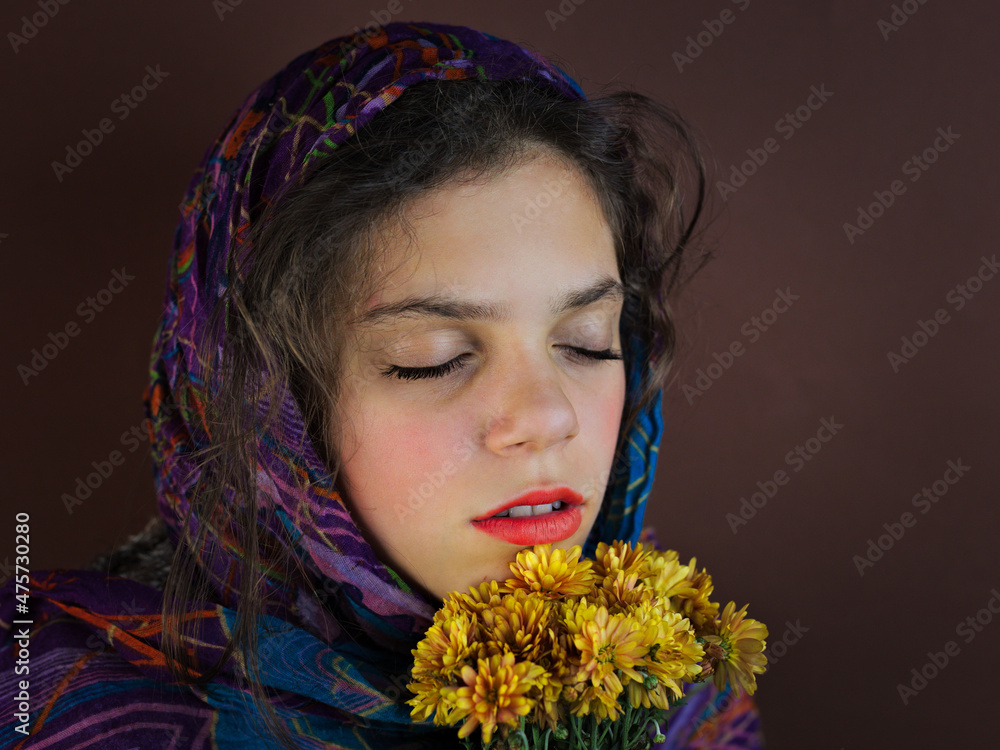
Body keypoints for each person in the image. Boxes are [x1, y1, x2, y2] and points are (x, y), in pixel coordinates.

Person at [0, 20, 763, 749]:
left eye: (586, 342)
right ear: (276, 405)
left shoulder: (672, 684)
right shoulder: (43, 702)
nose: (547, 416)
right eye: (432, 358)